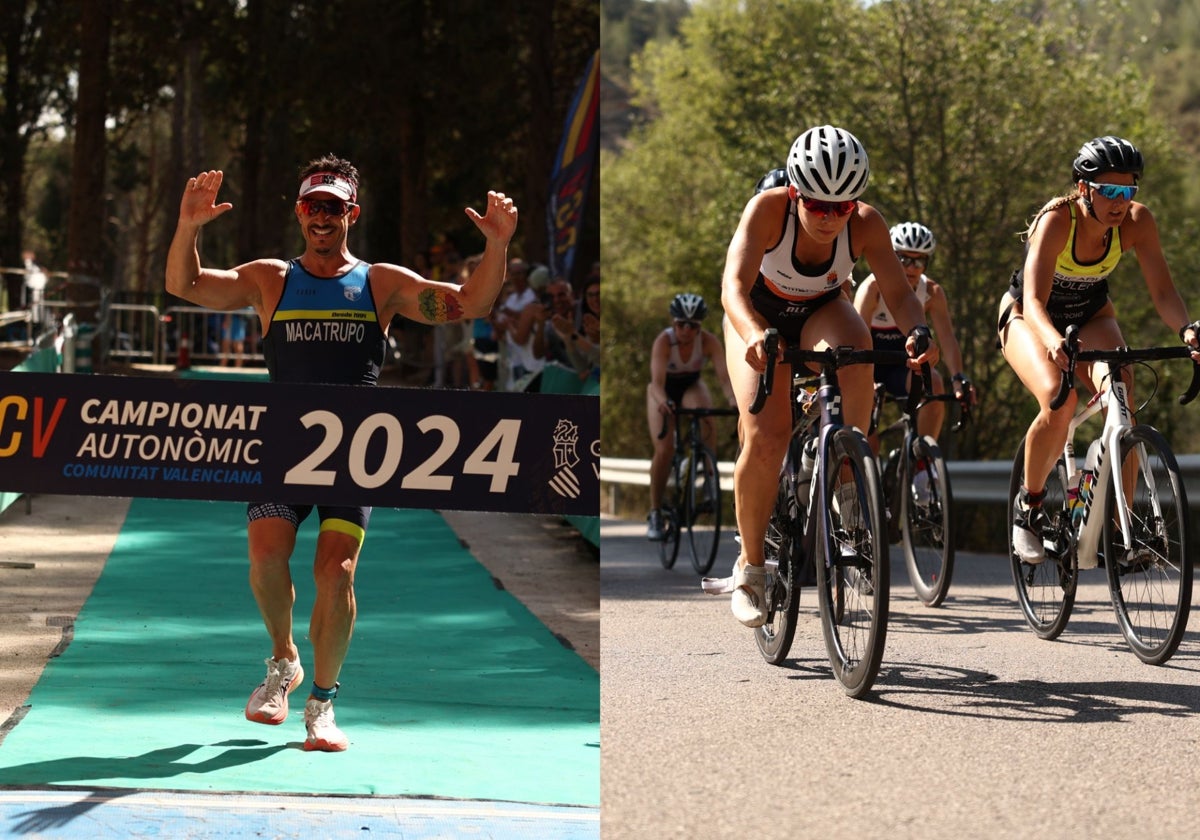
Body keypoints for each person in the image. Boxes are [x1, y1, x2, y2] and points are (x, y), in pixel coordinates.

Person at [164, 155, 517, 751]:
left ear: (351, 213)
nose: (322, 217)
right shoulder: (270, 279)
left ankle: (322, 703)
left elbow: (470, 304)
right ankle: (283, 661)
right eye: (312, 206)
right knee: (266, 560)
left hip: (355, 452)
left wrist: (499, 245)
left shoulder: (380, 284)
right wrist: (188, 226)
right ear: (299, 213)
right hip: (282, 445)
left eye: (333, 207)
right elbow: (184, 285)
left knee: (337, 572)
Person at [721, 125, 937, 627]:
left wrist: (918, 331)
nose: (829, 217)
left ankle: (847, 469)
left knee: (857, 348)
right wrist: (754, 332)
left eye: (842, 207)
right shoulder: (767, 210)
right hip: (756, 312)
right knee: (767, 435)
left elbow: (900, 295)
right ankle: (751, 569)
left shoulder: (865, 223)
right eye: (818, 205)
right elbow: (733, 285)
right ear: (795, 192)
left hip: (821, 308)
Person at [998, 135, 1200, 563]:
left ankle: (1119, 530)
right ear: (1084, 188)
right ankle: (1028, 507)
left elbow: (1163, 292)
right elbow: (1033, 301)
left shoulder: (1138, 223)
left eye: (1128, 191)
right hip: (1029, 319)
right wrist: (1053, 341)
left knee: (1122, 400)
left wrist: (1186, 329)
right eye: (1109, 190)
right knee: (1060, 399)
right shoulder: (1057, 221)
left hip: (1092, 317)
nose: (1119, 202)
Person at [854, 222, 976, 468]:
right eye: (903, 259)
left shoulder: (931, 292)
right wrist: (865, 379)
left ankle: (921, 466)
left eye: (918, 262)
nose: (910, 268)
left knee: (936, 381)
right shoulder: (872, 288)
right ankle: (868, 488)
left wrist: (958, 377)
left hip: (904, 365)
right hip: (870, 363)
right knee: (869, 441)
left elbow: (947, 339)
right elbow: (857, 338)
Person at [645, 292, 736, 540]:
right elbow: (656, 384)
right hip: (663, 390)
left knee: (707, 422)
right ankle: (655, 512)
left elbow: (725, 378)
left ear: (699, 327)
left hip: (690, 385)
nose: (685, 330)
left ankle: (708, 481)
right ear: (673, 323)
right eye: (680, 324)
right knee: (664, 449)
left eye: (692, 325)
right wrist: (664, 403)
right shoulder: (664, 342)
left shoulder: (708, 342)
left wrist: (733, 400)